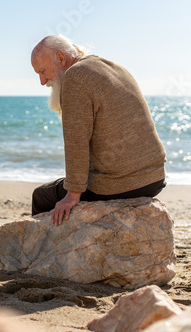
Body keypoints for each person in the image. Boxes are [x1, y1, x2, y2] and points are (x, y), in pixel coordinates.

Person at [30, 35, 166, 226]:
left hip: (123, 184)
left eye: (43, 71)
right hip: (155, 178)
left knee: (41, 196)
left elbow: (76, 142)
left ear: (61, 58)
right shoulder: (112, 67)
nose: (42, 81)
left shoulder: (74, 77)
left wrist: (73, 194)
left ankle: (49, 253)